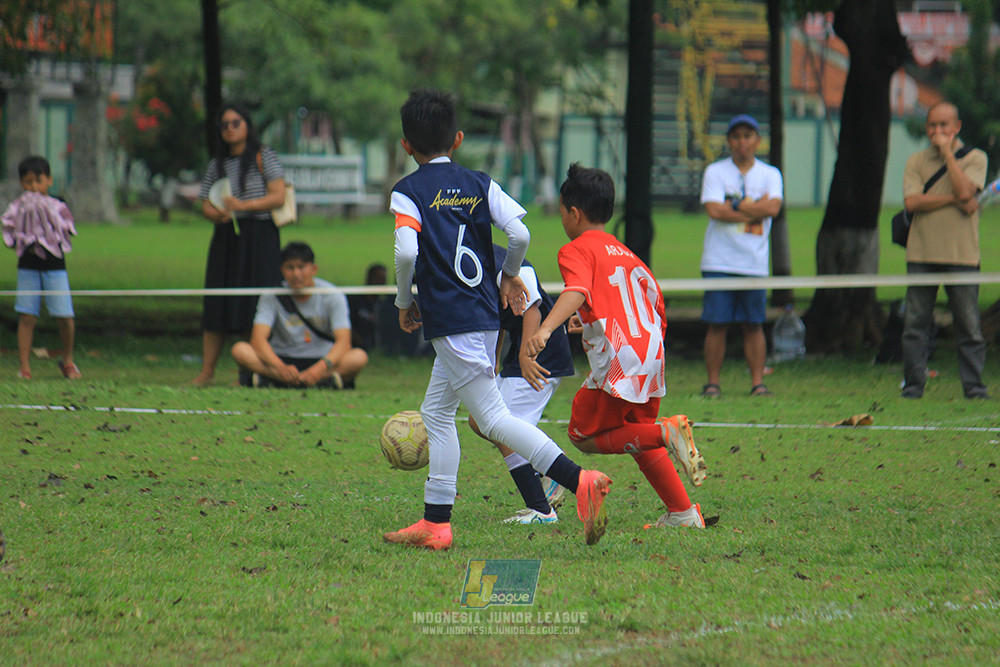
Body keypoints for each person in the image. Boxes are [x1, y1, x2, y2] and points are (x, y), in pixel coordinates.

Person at [382, 88, 612, 551]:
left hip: (451, 318)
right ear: (458, 139)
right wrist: (508, 276)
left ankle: (579, 480)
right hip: (481, 314)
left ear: (406, 146)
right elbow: (520, 232)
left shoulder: (407, 192)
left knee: (492, 418)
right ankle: (436, 522)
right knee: (438, 413)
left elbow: (406, 250)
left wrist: (404, 300)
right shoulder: (479, 182)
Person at [526, 164, 708, 531]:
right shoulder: (628, 254)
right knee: (634, 432)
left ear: (574, 213)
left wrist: (546, 328)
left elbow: (577, 290)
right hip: (651, 354)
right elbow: (651, 305)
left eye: (562, 212)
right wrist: (590, 322)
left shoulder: (575, 249)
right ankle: (684, 513)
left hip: (621, 361)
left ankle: (667, 432)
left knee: (581, 434)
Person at [467, 244, 576, 525]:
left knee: (502, 429)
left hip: (541, 354)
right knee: (479, 421)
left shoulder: (508, 263)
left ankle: (541, 509)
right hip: (523, 352)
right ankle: (551, 471)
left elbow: (532, 311)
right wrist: (494, 360)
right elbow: (499, 319)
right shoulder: (472, 261)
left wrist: (526, 356)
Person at [192, 103, 286, 386]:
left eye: (236, 123)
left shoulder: (263, 155)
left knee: (254, 302)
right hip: (225, 238)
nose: (230, 129)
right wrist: (217, 213)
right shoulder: (216, 163)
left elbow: (278, 196)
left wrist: (244, 206)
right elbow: (204, 202)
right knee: (217, 301)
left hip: (259, 237)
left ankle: (246, 372)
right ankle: (206, 371)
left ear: (247, 126)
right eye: (224, 124)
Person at [901, 101, 989, 400]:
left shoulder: (976, 158)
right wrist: (954, 200)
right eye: (932, 126)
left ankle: (974, 386)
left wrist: (949, 155)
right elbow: (912, 203)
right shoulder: (916, 161)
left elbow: (966, 191)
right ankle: (913, 385)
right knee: (915, 325)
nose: (937, 132)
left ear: (957, 127)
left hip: (962, 256)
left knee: (968, 326)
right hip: (921, 254)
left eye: (943, 126)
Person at [698, 114, 783, 397]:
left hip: (754, 263)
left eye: (748, 136)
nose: (742, 142)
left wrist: (733, 206)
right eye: (736, 136)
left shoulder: (770, 174)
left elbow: (773, 209)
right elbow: (714, 210)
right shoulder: (715, 171)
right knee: (717, 323)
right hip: (718, 261)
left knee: (753, 324)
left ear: (757, 140)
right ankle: (713, 383)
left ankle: (758, 383)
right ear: (729, 141)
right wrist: (753, 206)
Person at [231, 241, 368, 389]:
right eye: (290, 268)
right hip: (281, 358)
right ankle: (292, 379)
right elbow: (258, 340)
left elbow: (343, 342)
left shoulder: (333, 295)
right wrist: (281, 368)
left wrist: (318, 369)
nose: (296, 274)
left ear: (313, 269)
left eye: (301, 267)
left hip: (321, 359)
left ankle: (285, 380)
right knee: (240, 350)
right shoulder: (271, 295)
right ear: (281, 270)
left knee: (358, 357)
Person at [1, 156, 80, 380]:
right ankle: (24, 368)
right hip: (27, 268)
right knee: (27, 317)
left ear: (49, 180)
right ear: (21, 183)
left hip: (55, 268)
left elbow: (67, 230)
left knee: (64, 315)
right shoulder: (18, 207)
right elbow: (10, 234)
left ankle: (68, 361)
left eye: (38, 181)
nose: (34, 187)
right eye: (28, 182)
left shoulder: (58, 205)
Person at [347, 262, 388, 351]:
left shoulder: (384, 305)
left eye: (383, 279)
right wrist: (362, 344)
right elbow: (347, 326)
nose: (380, 282)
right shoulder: (354, 302)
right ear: (369, 278)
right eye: (377, 278)